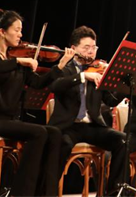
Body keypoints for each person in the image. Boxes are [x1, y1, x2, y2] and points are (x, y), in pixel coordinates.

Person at [0, 9, 75, 197]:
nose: (21, 35)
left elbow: (38, 83)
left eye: (21, 30)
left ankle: (46, 193)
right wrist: (19, 61)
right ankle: (22, 193)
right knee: (38, 132)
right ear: (2, 32)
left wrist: (60, 66)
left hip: (9, 121)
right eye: (17, 30)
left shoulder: (17, 62)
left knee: (54, 132)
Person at [48, 25, 127, 195]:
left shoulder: (98, 70)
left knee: (122, 140)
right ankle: (48, 192)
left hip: (92, 126)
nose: (91, 52)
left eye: (94, 48)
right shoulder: (65, 69)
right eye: (86, 48)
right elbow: (55, 86)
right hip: (69, 126)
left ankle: (113, 193)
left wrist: (124, 86)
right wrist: (82, 76)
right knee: (62, 144)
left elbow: (110, 101)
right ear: (74, 48)